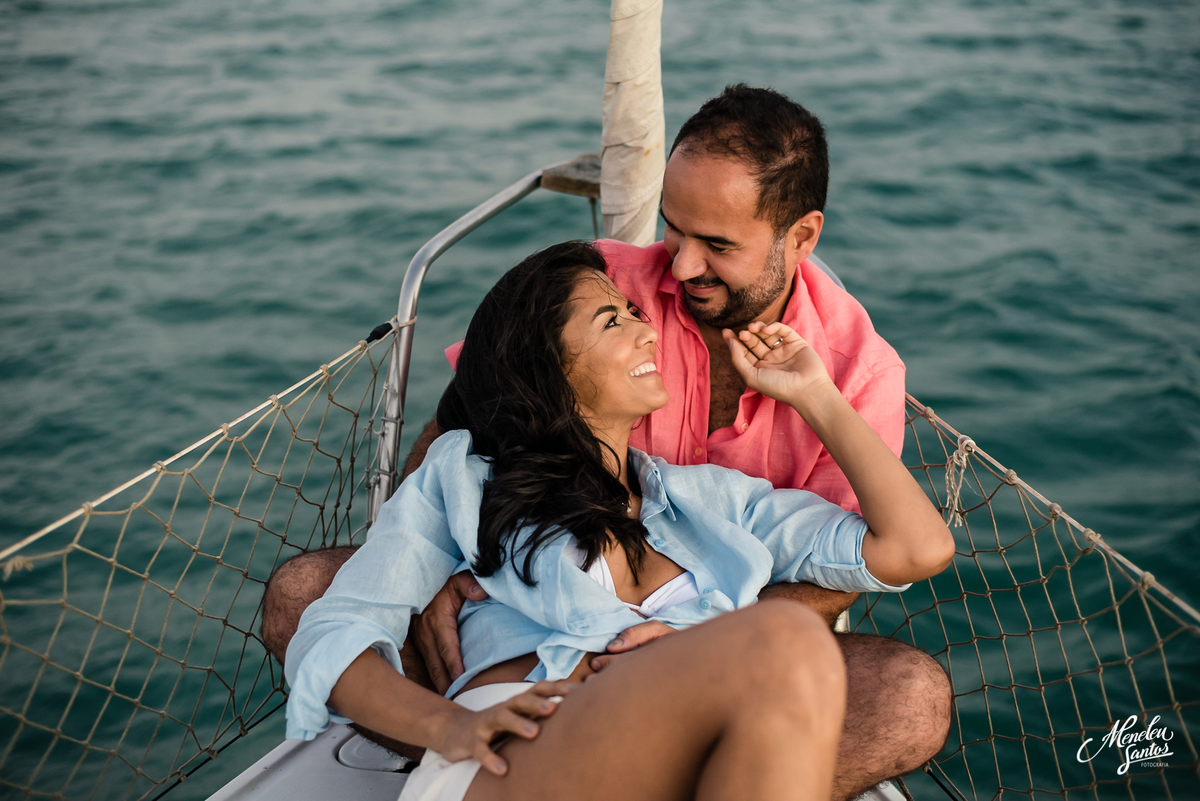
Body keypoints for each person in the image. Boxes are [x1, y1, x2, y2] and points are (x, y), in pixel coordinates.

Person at [264, 85, 953, 798]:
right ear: (547, 372)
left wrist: (815, 396)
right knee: (305, 594)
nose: (675, 275)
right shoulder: (474, 468)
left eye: (718, 245)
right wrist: (431, 578)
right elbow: (466, 415)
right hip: (520, 737)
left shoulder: (714, 496)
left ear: (802, 237)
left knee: (889, 686)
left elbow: (908, 549)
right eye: (674, 230)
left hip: (698, 690)